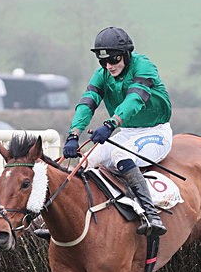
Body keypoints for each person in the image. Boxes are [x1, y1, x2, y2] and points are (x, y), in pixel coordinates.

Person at [62, 26, 172, 236]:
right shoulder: (102, 74)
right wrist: (73, 134)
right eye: (103, 61)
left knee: (120, 154)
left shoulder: (144, 67)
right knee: (87, 160)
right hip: (128, 133)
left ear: (126, 54)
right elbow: (87, 103)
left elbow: (135, 99)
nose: (108, 66)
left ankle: (151, 215)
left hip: (156, 132)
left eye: (113, 60)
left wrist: (111, 124)